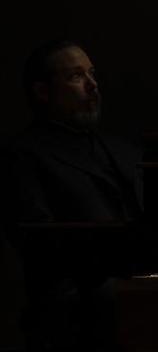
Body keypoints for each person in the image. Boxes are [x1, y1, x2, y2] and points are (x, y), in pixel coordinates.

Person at [2, 41, 140, 349]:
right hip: (78, 309)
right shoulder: (23, 156)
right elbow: (36, 243)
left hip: (136, 286)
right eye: (76, 77)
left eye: (92, 74)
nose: (92, 86)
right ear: (42, 92)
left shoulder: (122, 151)